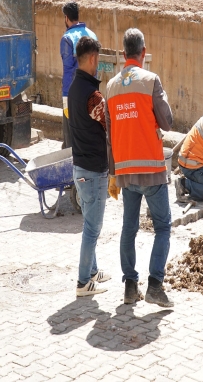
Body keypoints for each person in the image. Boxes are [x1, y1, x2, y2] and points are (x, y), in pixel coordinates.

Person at [105, 28, 174, 307]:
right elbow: (167, 122)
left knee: (129, 228)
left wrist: (113, 174)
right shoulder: (151, 80)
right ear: (143, 53)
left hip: (125, 172)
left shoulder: (110, 87)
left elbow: (109, 136)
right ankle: (155, 286)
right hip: (152, 170)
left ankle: (130, 287)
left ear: (123, 54)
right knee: (163, 227)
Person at [68, 36, 111, 296]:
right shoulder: (93, 97)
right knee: (92, 229)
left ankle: (93, 272)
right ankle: (83, 282)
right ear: (93, 59)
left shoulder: (74, 88)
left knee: (89, 224)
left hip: (80, 168)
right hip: (93, 171)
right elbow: (110, 126)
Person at [61, 1, 97, 149]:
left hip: (73, 93)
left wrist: (66, 95)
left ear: (66, 17)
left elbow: (68, 69)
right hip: (92, 91)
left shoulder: (67, 38)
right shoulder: (92, 35)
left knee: (71, 134)